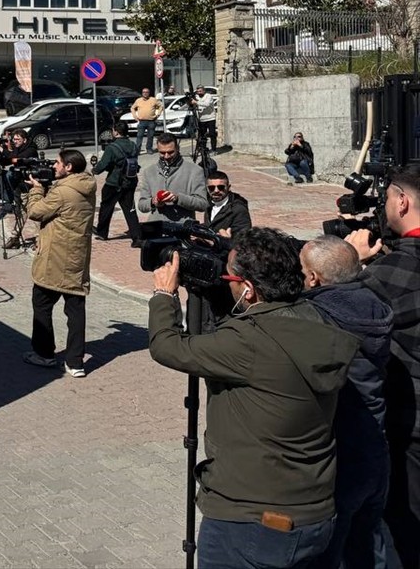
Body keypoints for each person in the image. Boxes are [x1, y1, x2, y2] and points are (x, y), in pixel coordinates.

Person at [148, 228, 359, 568]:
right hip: (314, 513)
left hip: (251, 521)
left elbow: (167, 347)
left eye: (230, 277)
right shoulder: (318, 321)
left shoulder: (248, 342)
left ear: (247, 288)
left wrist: (164, 295)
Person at [299, 236, 393, 569]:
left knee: (329, 554)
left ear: (313, 279)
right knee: (369, 548)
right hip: (376, 451)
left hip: (341, 457)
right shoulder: (375, 304)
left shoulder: (320, 317)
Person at [346, 168, 420, 568]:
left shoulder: (394, 273)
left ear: (403, 202)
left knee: (405, 536)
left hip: (409, 430)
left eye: (388, 199)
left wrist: (351, 265)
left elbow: (338, 311)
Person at [22, 150, 96, 378]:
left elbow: (35, 212)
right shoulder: (88, 186)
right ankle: (75, 362)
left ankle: (44, 354)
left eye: (57, 163)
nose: (54, 167)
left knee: (42, 304)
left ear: (69, 167)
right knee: (75, 310)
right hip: (76, 257)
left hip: (55, 258)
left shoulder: (63, 192)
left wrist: (35, 190)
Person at [136, 134, 208, 223]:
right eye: (162, 153)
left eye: (170, 152)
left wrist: (177, 199)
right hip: (156, 227)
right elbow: (141, 205)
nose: (166, 156)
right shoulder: (149, 172)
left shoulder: (195, 171)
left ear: (178, 149)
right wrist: (153, 202)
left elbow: (203, 204)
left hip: (183, 227)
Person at [93, 123, 140, 244]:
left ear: (116, 132)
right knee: (130, 209)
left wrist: (94, 170)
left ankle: (102, 232)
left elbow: (102, 165)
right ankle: (136, 236)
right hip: (130, 181)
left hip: (114, 182)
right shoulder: (133, 145)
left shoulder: (112, 147)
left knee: (106, 207)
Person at [203, 171, 251, 237]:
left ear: (228, 187)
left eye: (221, 187)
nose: (216, 190)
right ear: (207, 189)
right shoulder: (209, 204)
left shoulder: (238, 209)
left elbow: (243, 239)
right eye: (211, 188)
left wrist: (219, 241)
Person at [131, 88, 163, 154]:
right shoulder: (138, 100)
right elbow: (132, 108)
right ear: (142, 93)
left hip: (151, 121)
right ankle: (137, 150)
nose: (145, 93)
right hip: (142, 121)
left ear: (149, 93)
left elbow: (161, 106)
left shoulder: (153, 100)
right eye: (144, 92)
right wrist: (135, 116)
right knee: (139, 136)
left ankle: (149, 149)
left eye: (147, 92)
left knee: (150, 136)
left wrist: (158, 114)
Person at [191, 85, 218, 151]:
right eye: (198, 91)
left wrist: (196, 102)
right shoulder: (196, 97)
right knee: (202, 135)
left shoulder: (208, 96)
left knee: (212, 134)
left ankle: (214, 149)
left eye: (200, 91)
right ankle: (203, 149)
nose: (199, 92)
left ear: (204, 91)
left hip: (210, 118)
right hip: (201, 119)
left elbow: (207, 104)